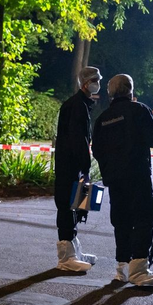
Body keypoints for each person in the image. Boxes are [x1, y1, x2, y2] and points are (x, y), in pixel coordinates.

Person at [91, 74, 153, 286]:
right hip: (138, 175)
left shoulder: (103, 118)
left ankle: (121, 268)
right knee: (143, 217)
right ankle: (139, 269)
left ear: (110, 93)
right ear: (130, 91)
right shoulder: (139, 110)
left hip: (114, 179)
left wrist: (108, 168)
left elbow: (96, 149)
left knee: (121, 220)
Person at [52, 66, 102, 272]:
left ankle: (74, 252)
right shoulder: (77, 106)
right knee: (67, 206)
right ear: (85, 83)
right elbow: (78, 140)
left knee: (74, 207)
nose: (98, 84)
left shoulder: (80, 104)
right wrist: (85, 166)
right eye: (95, 80)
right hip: (69, 166)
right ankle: (66, 258)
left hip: (70, 165)